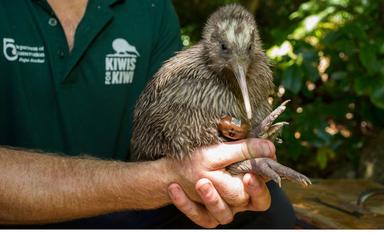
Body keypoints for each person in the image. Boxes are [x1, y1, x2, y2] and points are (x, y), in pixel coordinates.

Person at [0, 0, 295, 228]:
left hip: (128, 211)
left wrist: (226, 157)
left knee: (269, 213)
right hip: (25, 216)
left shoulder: (149, 8)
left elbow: (171, 127)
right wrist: (163, 179)